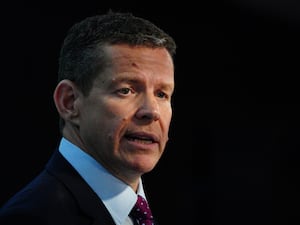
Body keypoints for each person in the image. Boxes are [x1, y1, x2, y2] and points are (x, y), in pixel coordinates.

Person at [0, 11, 176, 225]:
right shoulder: (32, 217)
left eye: (161, 94)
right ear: (69, 102)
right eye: (126, 90)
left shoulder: (142, 212)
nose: (152, 111)